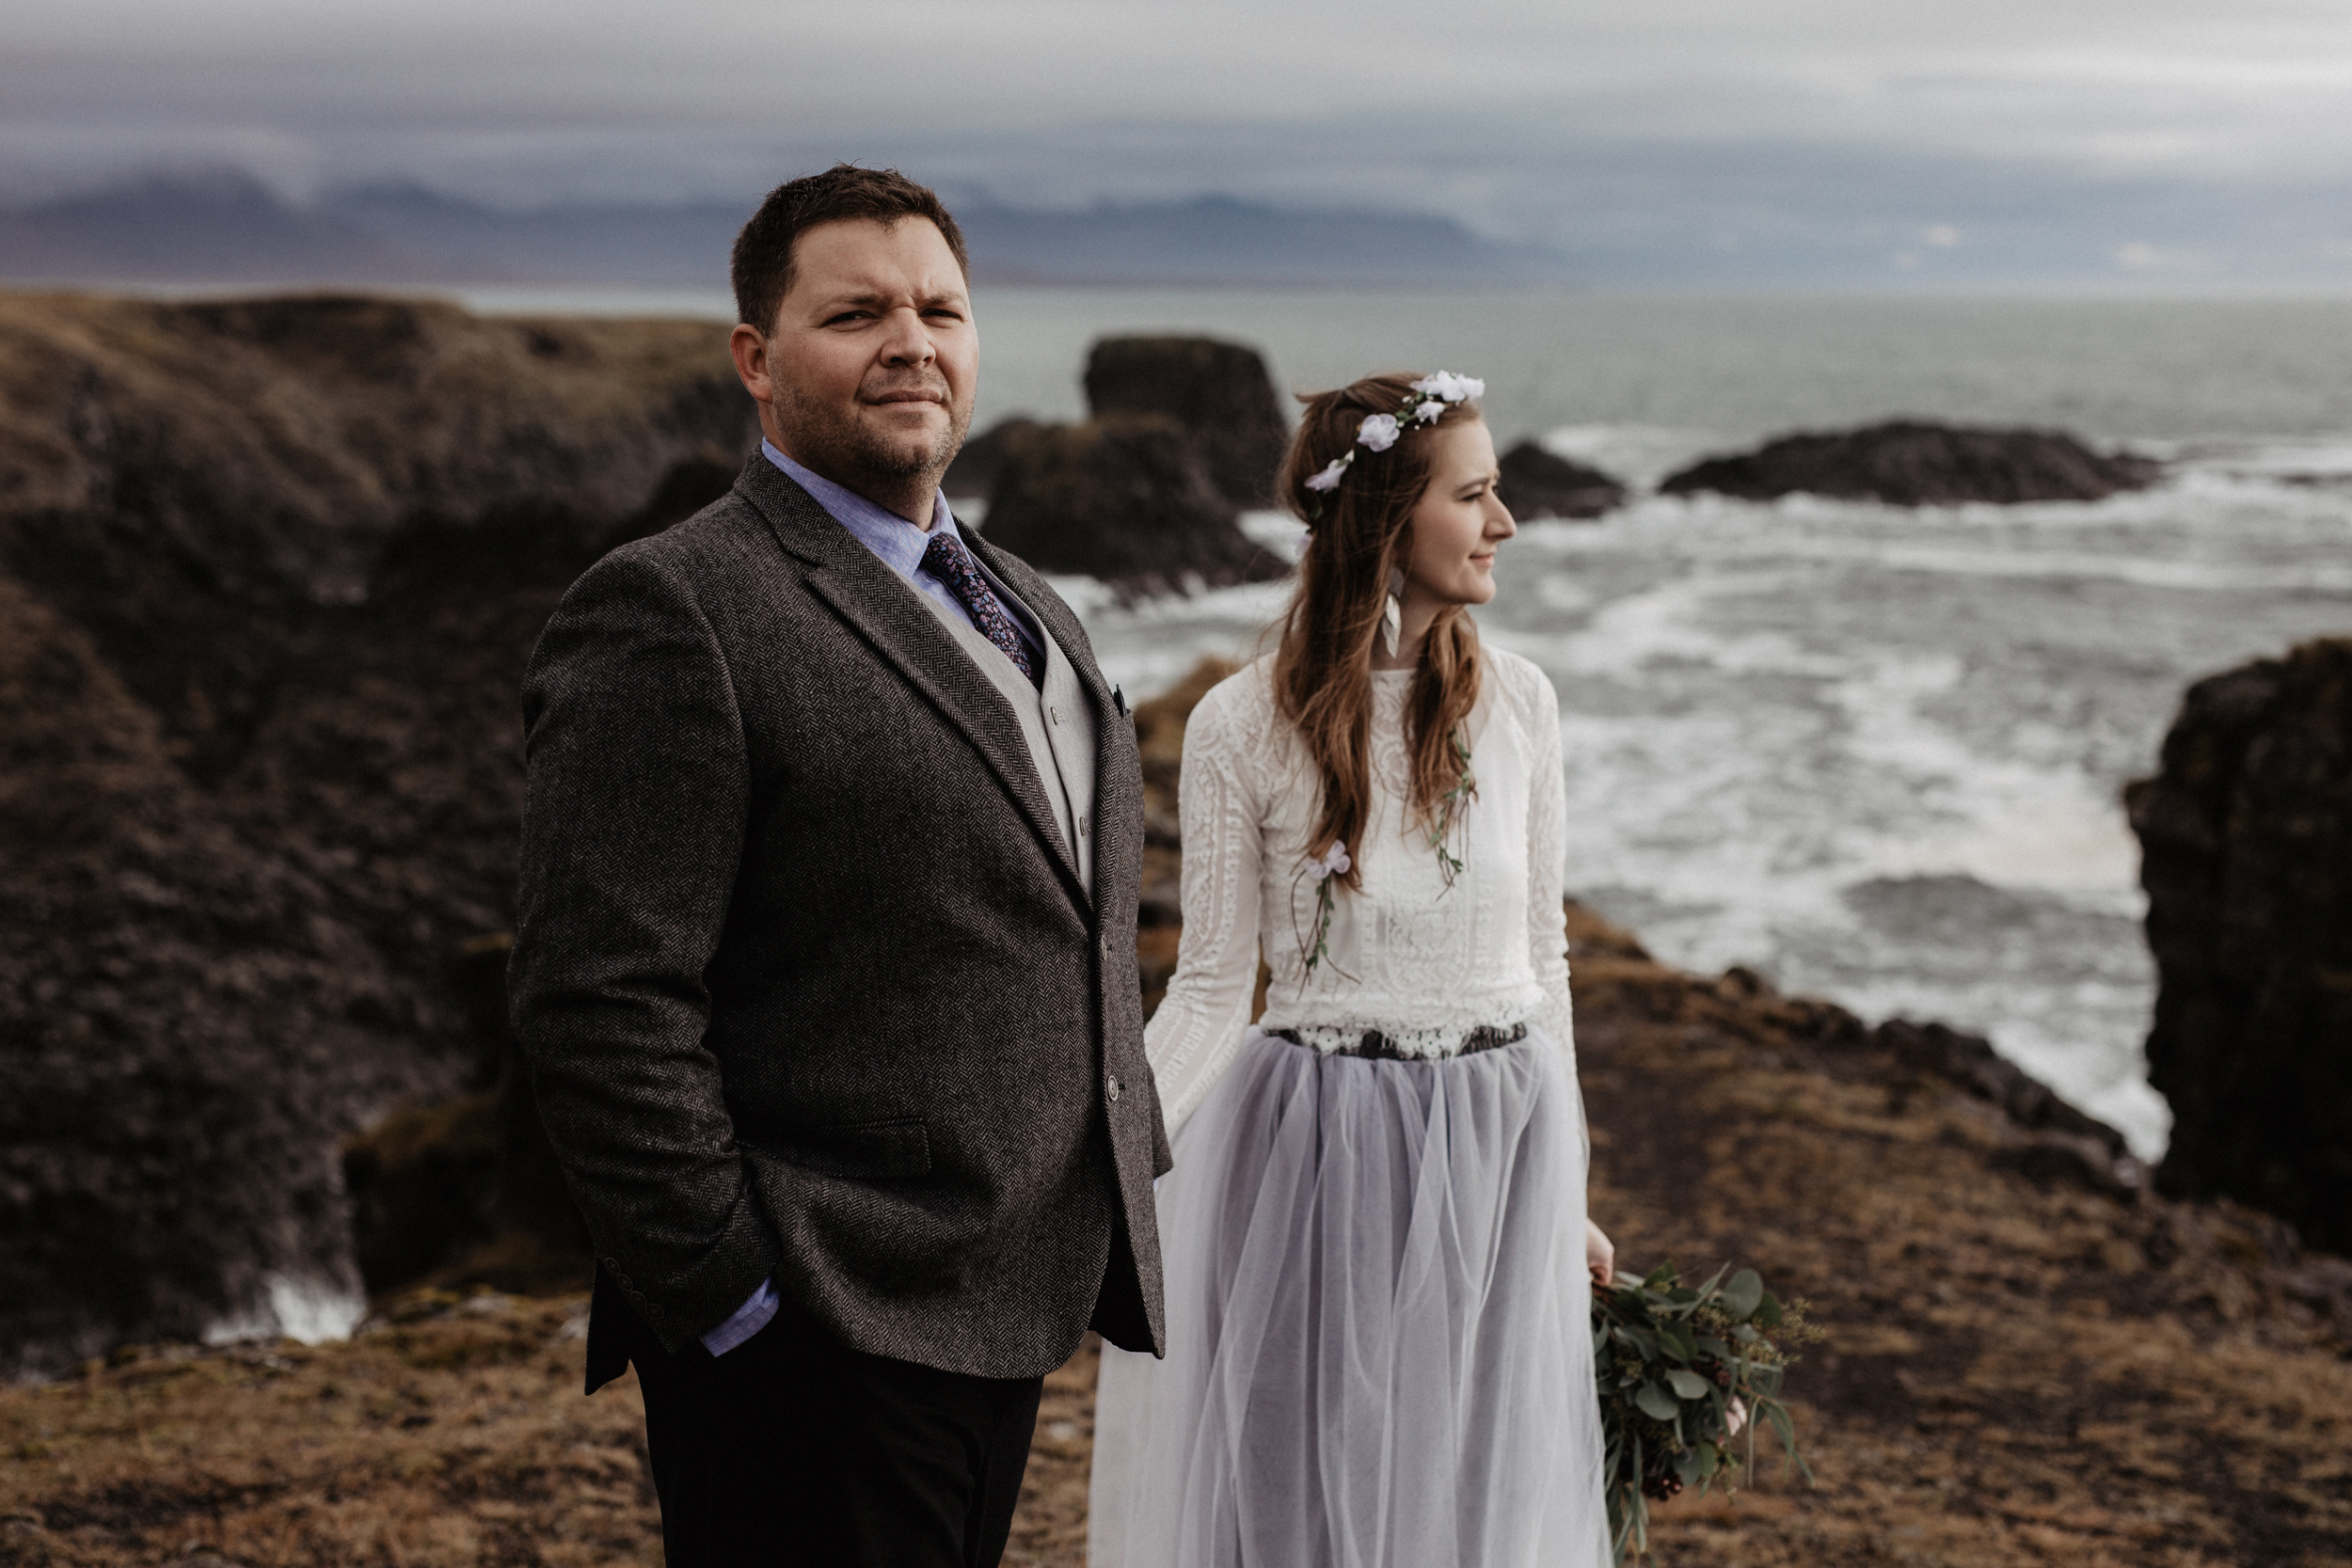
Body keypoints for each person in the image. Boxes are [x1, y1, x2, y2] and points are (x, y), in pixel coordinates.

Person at [508, 164, 1170, 1568]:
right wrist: (736, 1301)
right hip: (816, 1325)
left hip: (1002, 1302)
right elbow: (597, 997)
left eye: (940, 307)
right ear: (758, 359)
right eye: (857, 311)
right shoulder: (673, 609)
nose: (912, 340)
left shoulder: (1029, 603)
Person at [1088, 372, 1614, 1567]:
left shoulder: (1522, 703)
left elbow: (1544, 961)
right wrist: (1106, 1175)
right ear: (1386, 520)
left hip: (1501, 1146)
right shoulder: (1237, 724)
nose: (1504, 522)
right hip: (1315, 1156)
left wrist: (1566, 1184)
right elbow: (1213, 988)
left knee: (1473, 1500)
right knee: (1301, 1504)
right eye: (1474, 494)